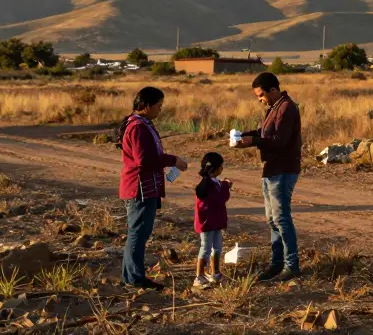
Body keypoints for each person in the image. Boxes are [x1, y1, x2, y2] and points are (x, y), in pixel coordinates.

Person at [234, 72, 302, 281]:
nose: (259, 99)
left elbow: (278, 141)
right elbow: (265, 132)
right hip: (271, 169)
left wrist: (252, 142)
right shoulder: (274, 108)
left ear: (273, 90)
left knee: (281, 218)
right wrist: (246, 135)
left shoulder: (287, 108)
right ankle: (276, 264)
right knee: (272, 220)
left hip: (282, 169)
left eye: (261, 95)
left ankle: (291, 266)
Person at [119, 86, 188, 290]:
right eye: (158, 106)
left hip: (145, 187)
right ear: (147, 106)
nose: (160, 110)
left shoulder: (140, 123)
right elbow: (144, 160)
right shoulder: (138, 127)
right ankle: (134, 279)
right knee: (138, 233)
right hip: (139, 188)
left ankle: (132, 276)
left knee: (139, 233)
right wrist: (173, 160)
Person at [193, 152, 232, 289]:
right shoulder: (207, 186)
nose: (222, 169)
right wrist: (226, 186)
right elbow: (221, 199)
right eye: (221, 167)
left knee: (217, 248)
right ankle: (199, 276)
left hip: (214, 223)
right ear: (215, 169)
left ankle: (215, 272)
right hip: (208, 224)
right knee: (206, 248)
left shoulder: (212, 183)